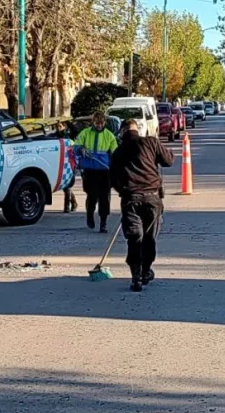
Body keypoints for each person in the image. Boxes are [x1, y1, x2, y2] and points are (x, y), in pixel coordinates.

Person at [110, 118, 174, 292]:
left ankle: (136, 276)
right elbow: (168, 160)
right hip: (152, 198)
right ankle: (145, 271)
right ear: (137, 129)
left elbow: (112, 180)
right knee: (149, 238)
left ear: (122, 132)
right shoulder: (151, 142)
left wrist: (124, 191)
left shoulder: (118, 152)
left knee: (134, 237)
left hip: (131, 199)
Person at [75, 111, 118, 232]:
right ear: (93, 122)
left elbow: (115, 153)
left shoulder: (109, 136)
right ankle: (90, 214)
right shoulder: (85, 133)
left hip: (104, 171)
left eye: (101, 123)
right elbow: (76, 146)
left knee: (104, 198)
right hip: (89, 170)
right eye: (96, 123)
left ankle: (103, 222)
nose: (99, 125)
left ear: (104, 122)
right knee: (92, 195)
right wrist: (80, 149)